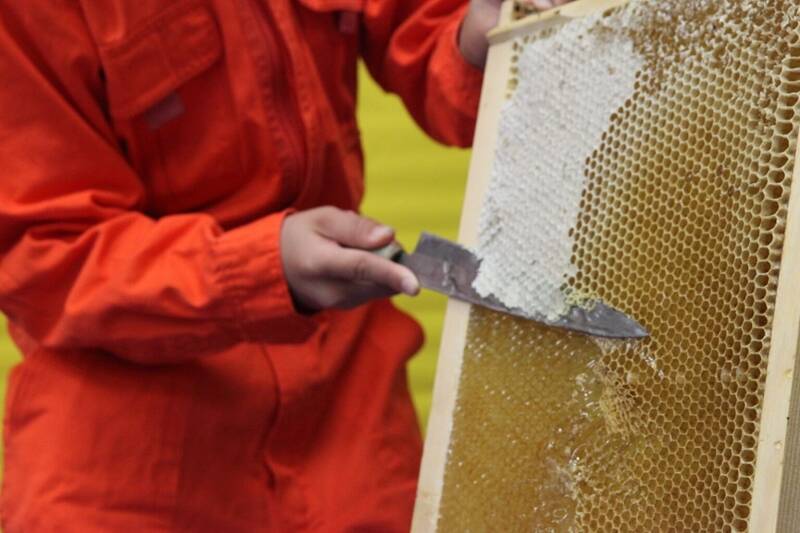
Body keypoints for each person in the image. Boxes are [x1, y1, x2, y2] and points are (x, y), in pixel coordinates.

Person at [0, 0, 571, 530]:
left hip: (350, 427)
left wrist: (478, 36)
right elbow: (40, 254)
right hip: (124, 467)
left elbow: (423, 28)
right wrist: (257, 270)